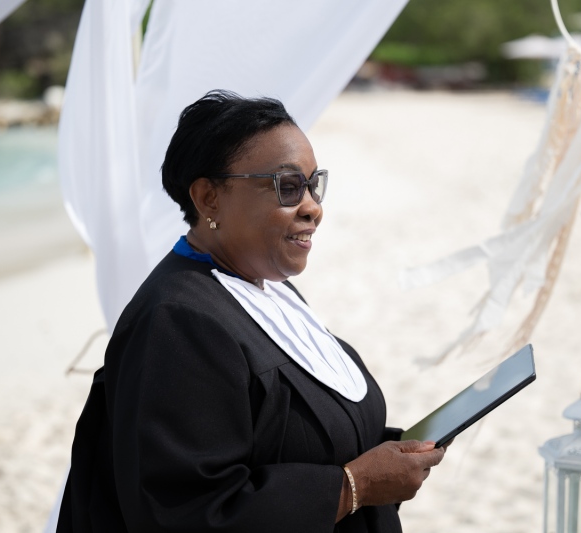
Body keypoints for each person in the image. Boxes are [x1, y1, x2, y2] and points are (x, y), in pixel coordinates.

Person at [57, 90, 446, 533]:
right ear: (208, 199)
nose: (313, 208)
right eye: (287, 187)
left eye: (313, 184)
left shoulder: (269, 291)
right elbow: (190, 512)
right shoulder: (178, 323)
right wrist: (353, 486)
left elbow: (289, 435)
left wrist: (391, 456)